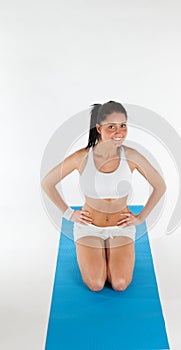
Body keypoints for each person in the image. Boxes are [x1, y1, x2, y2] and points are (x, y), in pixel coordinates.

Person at [41, 101, 166, 292]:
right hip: (89, 228)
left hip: (121, 228)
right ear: (99, 128)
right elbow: (47, 183)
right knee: (96, 284)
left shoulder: (132, 156)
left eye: (123, 126)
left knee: (120, 284)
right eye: (112, 127)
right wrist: (69, 214)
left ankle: (109, 251)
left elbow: (160, 186)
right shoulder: (82, 157)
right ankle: (97, 251)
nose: (119, 132)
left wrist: (140, 217)